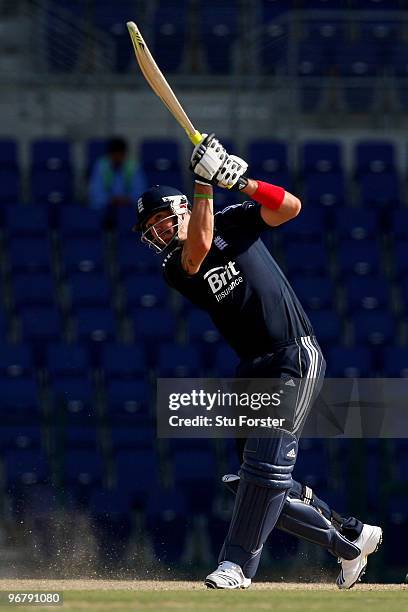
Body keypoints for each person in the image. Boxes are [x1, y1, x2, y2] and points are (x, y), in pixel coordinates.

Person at [133, 134, 382, 590]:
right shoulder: (174, 265)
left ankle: (237, 567)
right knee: (249, 481)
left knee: (264, 471)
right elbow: (199, 250)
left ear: (181, 209)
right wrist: (205, 182)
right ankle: (351, 538)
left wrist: (239, 180)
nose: (159, 233)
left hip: (293, 353)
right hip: (252, 367)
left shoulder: (233, 219)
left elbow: (290, 207)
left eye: (162, 221)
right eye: (153, 229)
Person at [89, 137, 147, 210]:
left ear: (124, 154)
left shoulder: (133, 166)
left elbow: (140, 191)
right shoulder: (101, 165)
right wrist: (110, 200)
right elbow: (95, 192)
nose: (117, 158)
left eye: (120, 155)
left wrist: (127, 200)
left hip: (128, 208)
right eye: (114, 155)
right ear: (109, 154)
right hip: (105, 208)